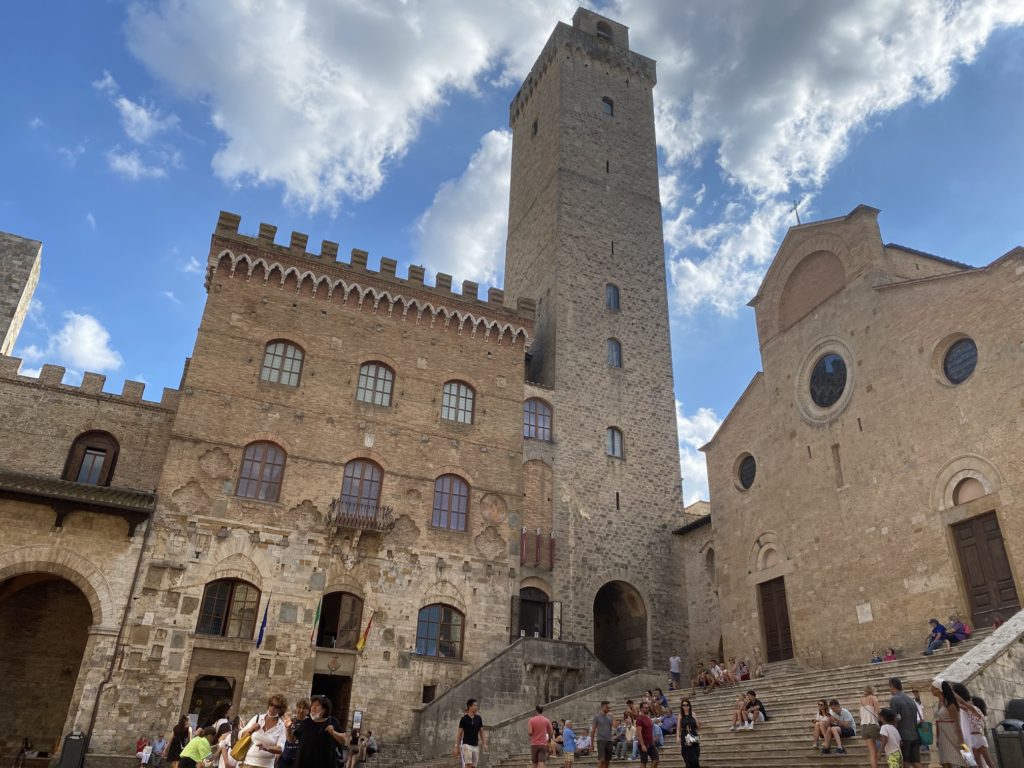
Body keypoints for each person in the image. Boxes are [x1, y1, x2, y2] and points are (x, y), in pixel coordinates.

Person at [294, 695, 347, 768]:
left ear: (325, 709)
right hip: (304, 763)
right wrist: (287, 728)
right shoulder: (307, 722)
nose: (313, 707)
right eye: (312, 705)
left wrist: (334, 733)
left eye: (317, 705)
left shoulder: (331, 721)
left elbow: (344, 741)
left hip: (324, 763)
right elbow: (292, 739)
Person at [238, 695, 287, 768]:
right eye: (271, 705)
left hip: (266, 765)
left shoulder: (281, 726)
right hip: (248, 762)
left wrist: (267, 747)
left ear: (281, 710)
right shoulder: (257, 718)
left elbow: (280, 749)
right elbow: (240, 735)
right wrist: (251, 729)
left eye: (276, 706)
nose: (272, 708)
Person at [931, 679, 965, 768]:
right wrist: (938, 737)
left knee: (956, 760)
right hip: (942, 734)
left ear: (939, 689)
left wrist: (962, 741)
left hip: (951, 733)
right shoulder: (937, 703)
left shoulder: (949, 703)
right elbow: (938, 721)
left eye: (933, 688)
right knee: (945, 762)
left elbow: (957, 723)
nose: (931, 689)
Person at [888, 678, 922, 768]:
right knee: (916, 761)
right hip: (915, 734)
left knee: (905, 762)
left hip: (903, 735)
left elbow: (894, 718)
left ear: (892, 686)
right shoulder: (910, 700)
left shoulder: (894, 700)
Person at [455, 698, 486, 767]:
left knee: (474, 766)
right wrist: (456, 746)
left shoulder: (479, 718)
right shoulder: (464, 719)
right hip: (466, 745)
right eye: (475, 705)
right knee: (468, 764)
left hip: (476, 745)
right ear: (470, 706)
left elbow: (481, 732)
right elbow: (459, 733)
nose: (476, 707)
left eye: (477, 706)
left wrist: (484, 744)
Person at [861, 685, 882, 768]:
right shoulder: (873, 698)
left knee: (872, 753)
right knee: (887, 740)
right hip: (872, 725)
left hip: (863, 727)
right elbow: (878, 711)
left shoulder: (861, 700)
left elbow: (860, 716)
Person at [589, 701, 614, 768]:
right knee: (602, 759)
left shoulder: (610, 717)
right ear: (602, 706)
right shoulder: (596, 717)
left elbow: (613, 728)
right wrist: (591, 744)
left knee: (607, 761)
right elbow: (593, 730)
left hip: (609, 741)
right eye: (607, 707)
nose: (609, 708)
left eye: (609, 707)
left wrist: (613, 717)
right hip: (601, 740)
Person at [635, 702, 658, 768]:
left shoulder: (648, 718)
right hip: (643, 744)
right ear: (641, 709)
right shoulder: (639, 719)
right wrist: (642, 745)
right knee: (644, 762)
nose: (647, 709)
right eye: (645, 708)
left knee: (656, 760)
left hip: (650, 743)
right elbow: (639, 732)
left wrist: (653, 742)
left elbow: (650, 731)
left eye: (648, 708)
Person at [678, 700, 700, 768]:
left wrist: (695, 718)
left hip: (693, 734)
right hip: (685, 735)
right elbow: (678, 727)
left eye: (687, 705)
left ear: (689, 706)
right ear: (682, 707)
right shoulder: (680, 715)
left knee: (695, 756)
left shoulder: (693, 714)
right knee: (686, 755)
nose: (685, 706)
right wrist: (677, 737)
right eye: (684, 705)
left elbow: (698, 727)